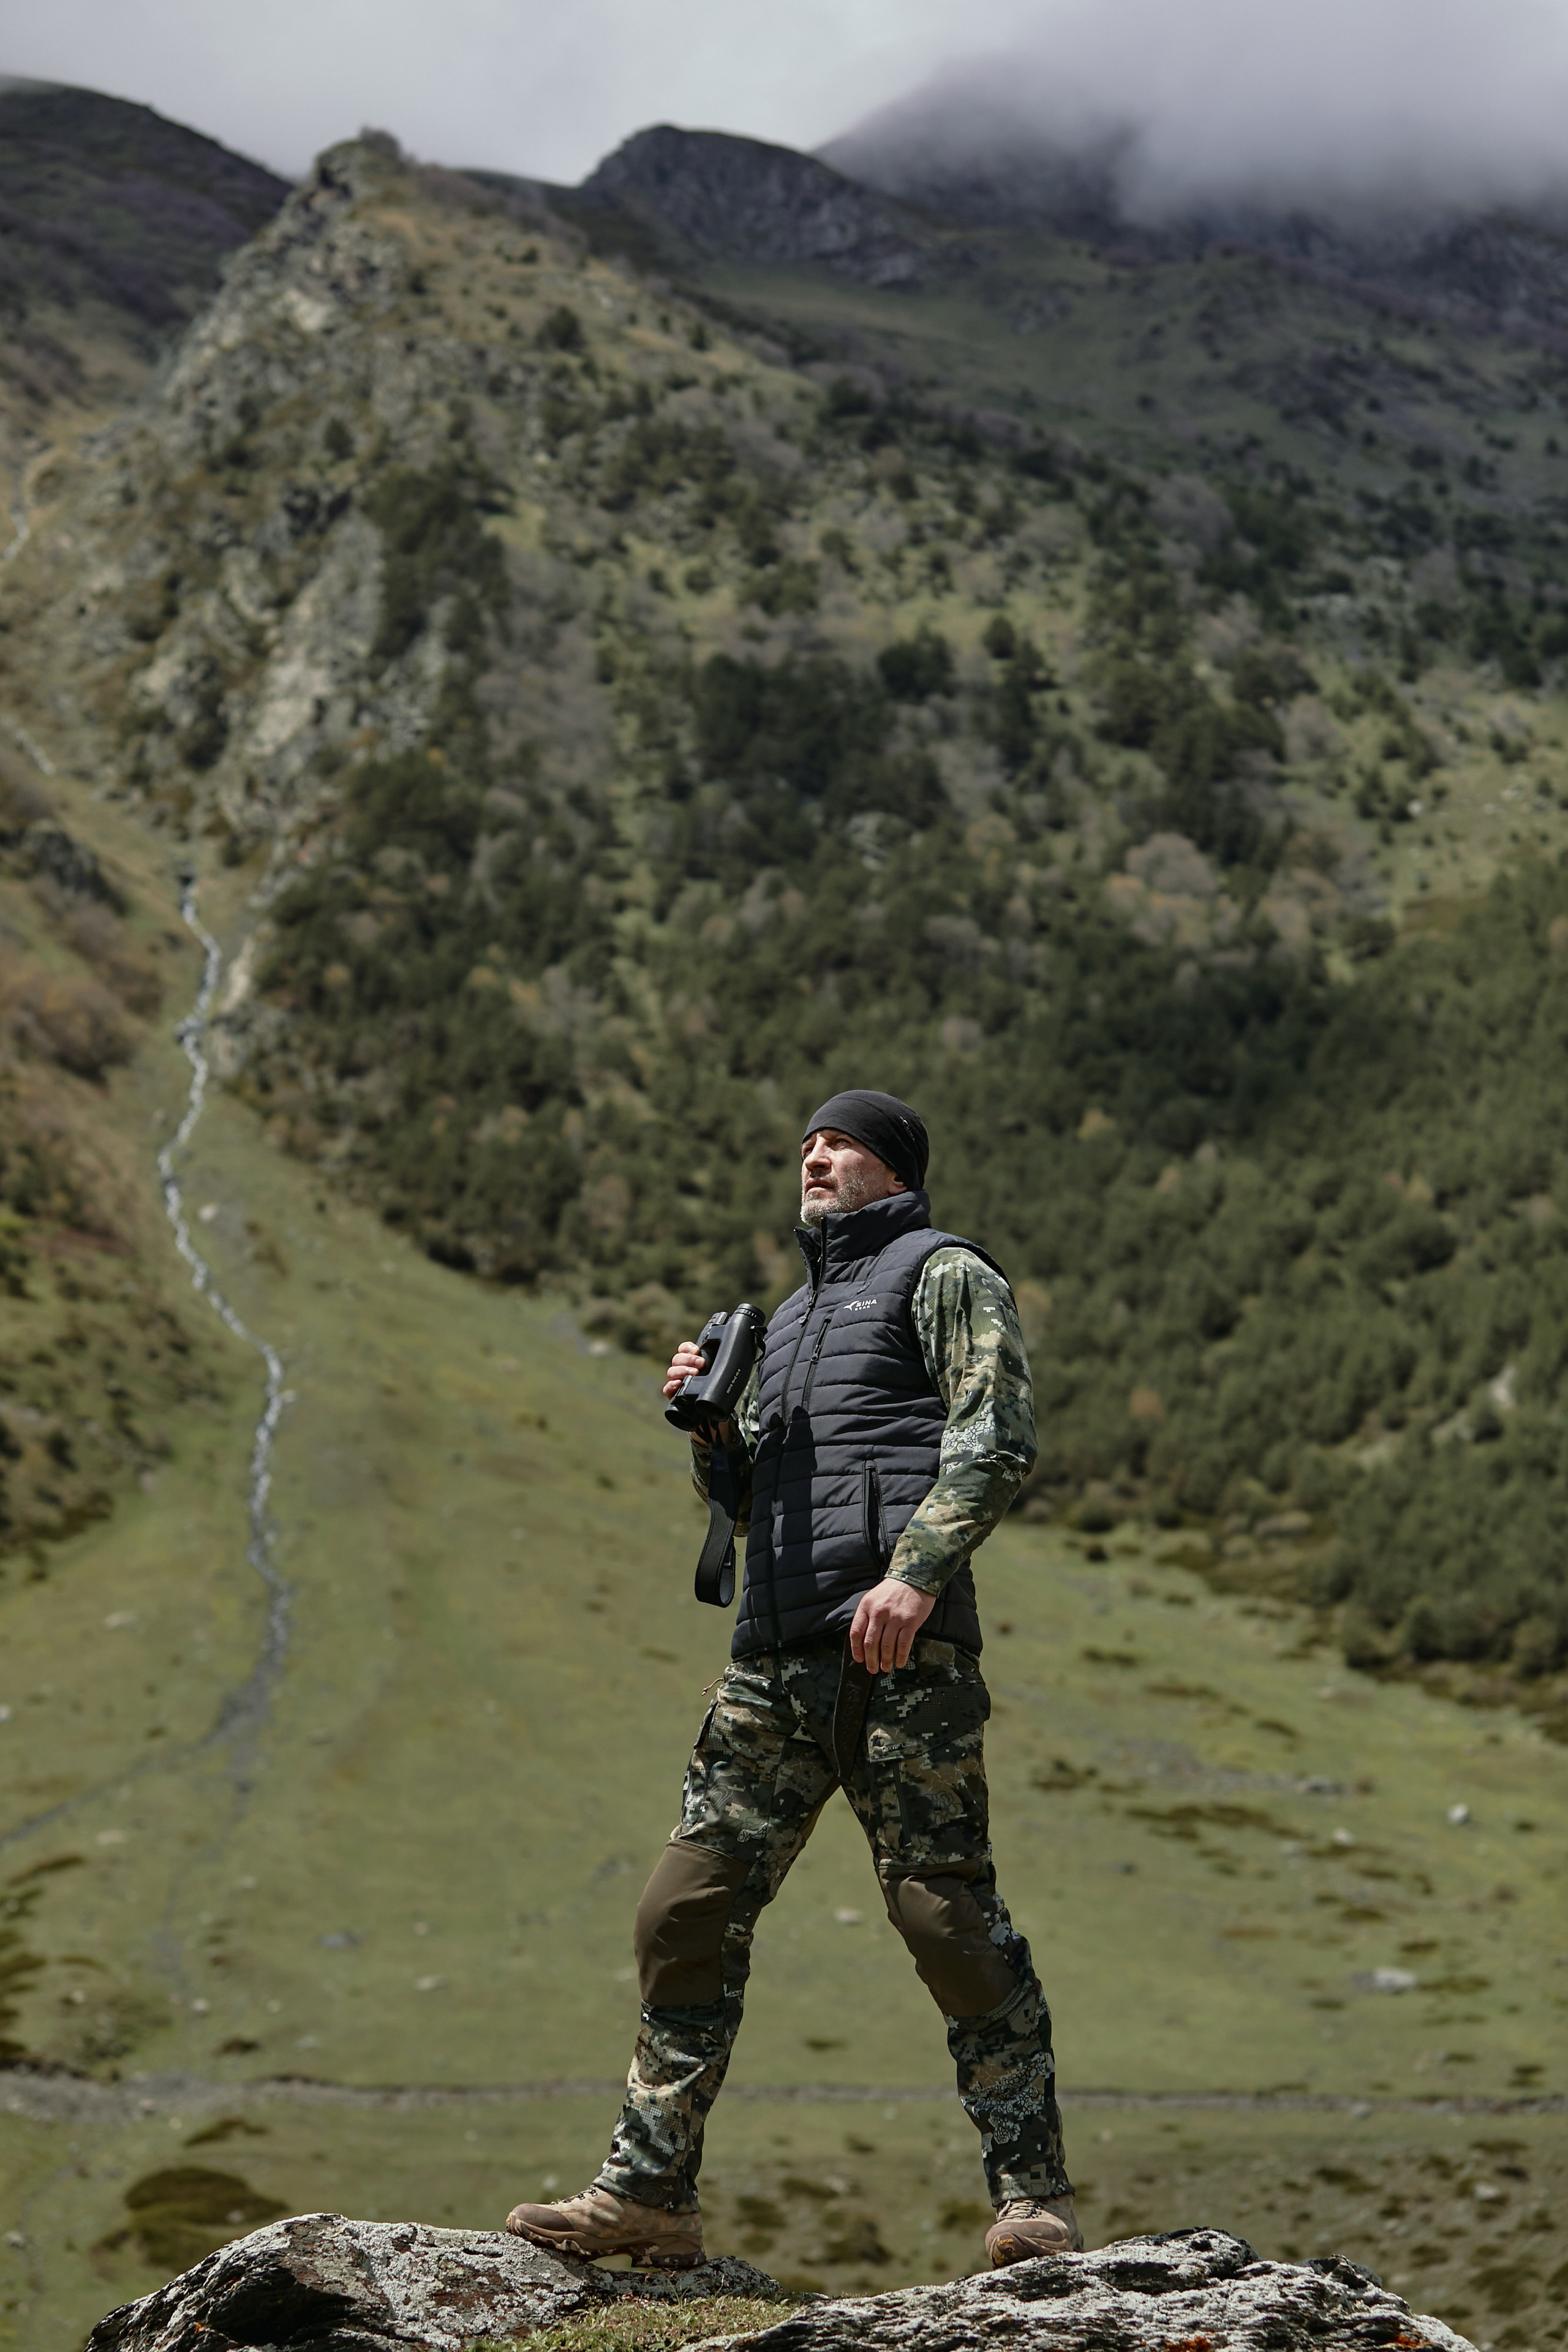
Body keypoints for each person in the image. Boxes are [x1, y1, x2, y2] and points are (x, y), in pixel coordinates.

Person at [505, 1090, 1077, 2272]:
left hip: (901, 1659)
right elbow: (759, 1506)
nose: (815, 1157)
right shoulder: (791, 1317)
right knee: (681, 1913)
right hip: (771, 1666)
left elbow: (997, 1434)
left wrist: (915, 1577)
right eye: (808, 1144)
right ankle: (650, 2197)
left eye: (841, 1143)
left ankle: (1031, 2199)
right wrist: (712, 1432)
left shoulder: (944, 1273)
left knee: (946, 1920)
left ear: (894, 1168)